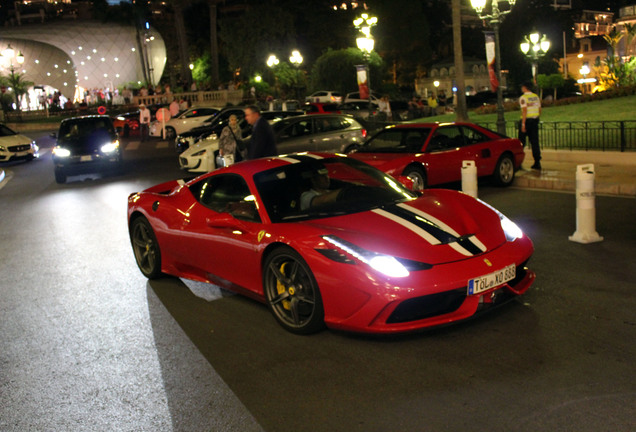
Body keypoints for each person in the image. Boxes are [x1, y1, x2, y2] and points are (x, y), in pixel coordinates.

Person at [519, 81, 542, 170]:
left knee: (521, 143)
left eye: (522, 87)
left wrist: (523, 124)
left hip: (526, 121)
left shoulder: (523, 98)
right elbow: (539, 109)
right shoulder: (536, 97)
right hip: (534, 121)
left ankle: (519, 162)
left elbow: (524, 111)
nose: (521, 88)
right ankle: (537, 162)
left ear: (525, 87)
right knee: (535, 142)